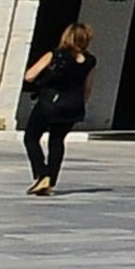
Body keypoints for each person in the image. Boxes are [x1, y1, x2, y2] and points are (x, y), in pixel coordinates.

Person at [17, 20, 91, 197]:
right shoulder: (90, 61)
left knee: (31, 138)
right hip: (73, 105)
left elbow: (29, 76)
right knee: (57, 141)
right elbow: (88, 88)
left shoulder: (55, 54)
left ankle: (42, 173)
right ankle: (50, 180)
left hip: (50, 102)